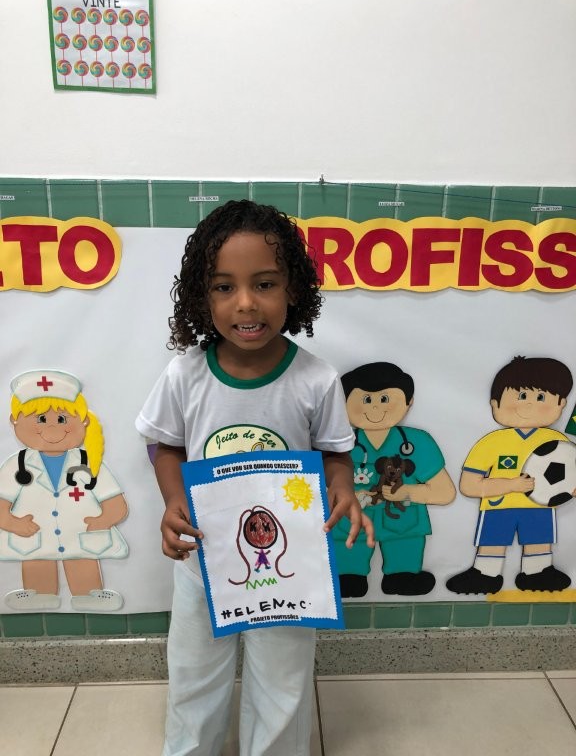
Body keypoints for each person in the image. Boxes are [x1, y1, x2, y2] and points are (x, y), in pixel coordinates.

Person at [135, 200, 373, 756]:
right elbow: (164, 444)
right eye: (224, 287)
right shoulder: (185, 374)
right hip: (204, 558)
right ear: (202, 297)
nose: (245, 303)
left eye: (264, 284)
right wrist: (173, 500)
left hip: (290, 566)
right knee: (194, 673)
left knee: (283, 679)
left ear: (294, 290)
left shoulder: (316, 379)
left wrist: (342, 487)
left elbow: (336, 452)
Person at [0, 369, 128, 611]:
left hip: (82, 533)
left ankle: (88, 595)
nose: (52, 427)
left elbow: (115, 502)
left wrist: (103, 520)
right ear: (14, 422)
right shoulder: (15, 466)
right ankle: (39, 594)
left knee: (81, 558)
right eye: (40, 419)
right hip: (33, 536)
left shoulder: (90, 462)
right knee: (37, 559)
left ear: (84, 421)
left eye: (62, 419)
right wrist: (13, 523)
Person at [446, 355, 575, 595]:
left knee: (539, 541)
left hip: (540, 507)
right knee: (493, 541)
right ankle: (485, 574)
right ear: (495, 404)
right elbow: (469, 485)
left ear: (561, 404)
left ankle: (538, 572)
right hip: (499, 505)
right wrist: (510, 485)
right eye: (522, 396)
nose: (529, 405)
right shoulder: (492, 442)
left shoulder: (557, 441)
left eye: (541, 397)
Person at [332, 362, 455, 597]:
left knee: (404, 567)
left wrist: (406, 492)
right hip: (353, 521)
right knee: (347, 575)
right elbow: (319, 488)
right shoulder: (337, 443)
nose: (375, 407)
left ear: (409, 402)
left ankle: (402, 575)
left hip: (403, 522)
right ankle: (350, 575)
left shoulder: (418, 443)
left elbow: (445, 492)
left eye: (384, 399)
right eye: (366, 399)